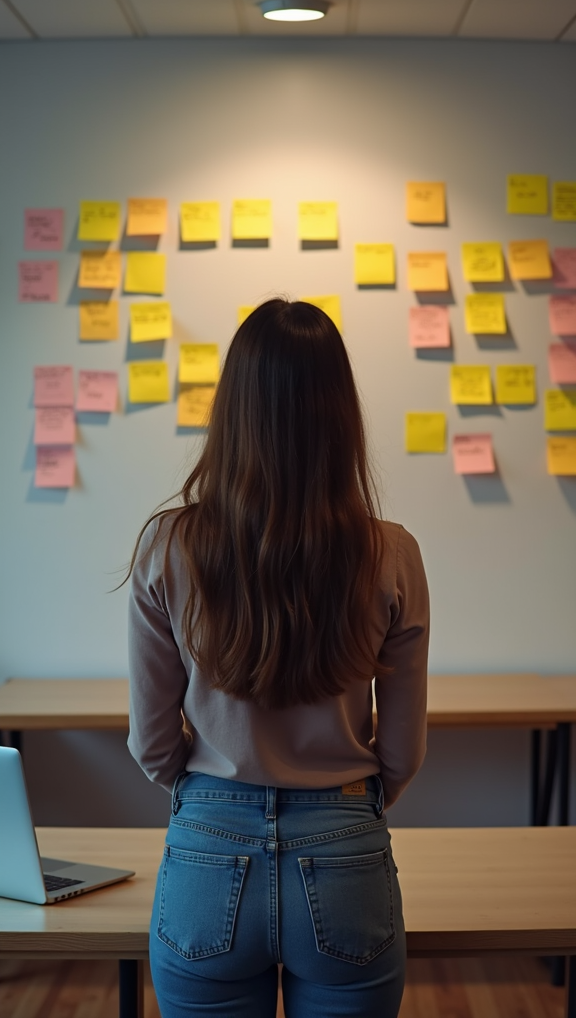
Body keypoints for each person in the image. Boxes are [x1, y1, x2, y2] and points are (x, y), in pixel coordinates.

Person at [127, 298, 429, 1018]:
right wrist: (348, 804)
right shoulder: (392, 553)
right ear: (340, 415)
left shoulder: (168, 546)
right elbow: (404, 749)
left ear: (232, 409)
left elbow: (151, 743)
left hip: (207, 841)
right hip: (346, 841)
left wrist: (211, 797)